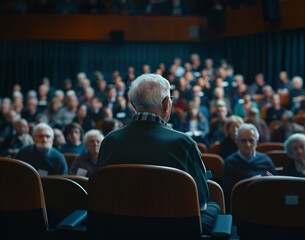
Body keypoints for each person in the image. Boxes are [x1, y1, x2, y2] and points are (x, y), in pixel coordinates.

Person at [97, 74, 219, 234]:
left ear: (132, 103)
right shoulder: (183, 143)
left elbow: (100, 192)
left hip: (120, 228)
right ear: (167, 103)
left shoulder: (109, 141)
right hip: (171, 230)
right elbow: (201, 198)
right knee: (214, 206)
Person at [222, 123, 277, 208]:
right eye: (243, 140)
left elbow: (277, 185)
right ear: (237, 141)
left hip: (265, 203)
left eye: (251, 140)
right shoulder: (230, 162)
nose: (248, 144)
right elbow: (228, 193)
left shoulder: (266, 160)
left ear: (257, 141)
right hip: (242, 205)